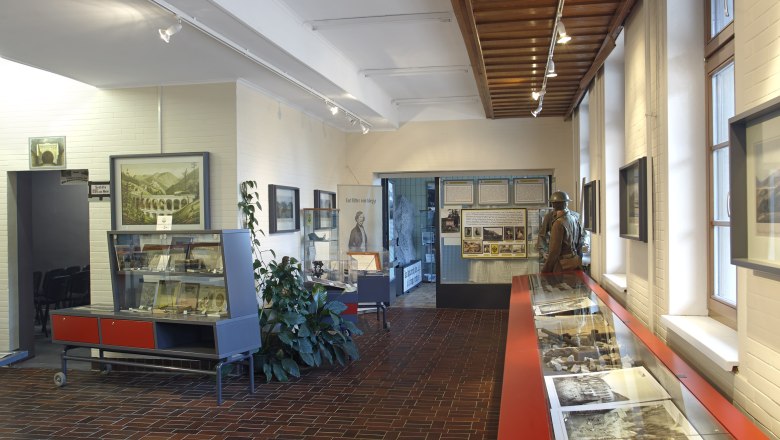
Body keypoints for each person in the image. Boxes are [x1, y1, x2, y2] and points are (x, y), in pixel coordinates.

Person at [541, 191, 583, 273]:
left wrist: (545, 270)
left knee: (560, 285)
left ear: (554, 205)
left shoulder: (558, 223)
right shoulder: (574, 218)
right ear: (566, 203)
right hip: (574, 261)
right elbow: (579, 241)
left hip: (563, 265)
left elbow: (554, 251)